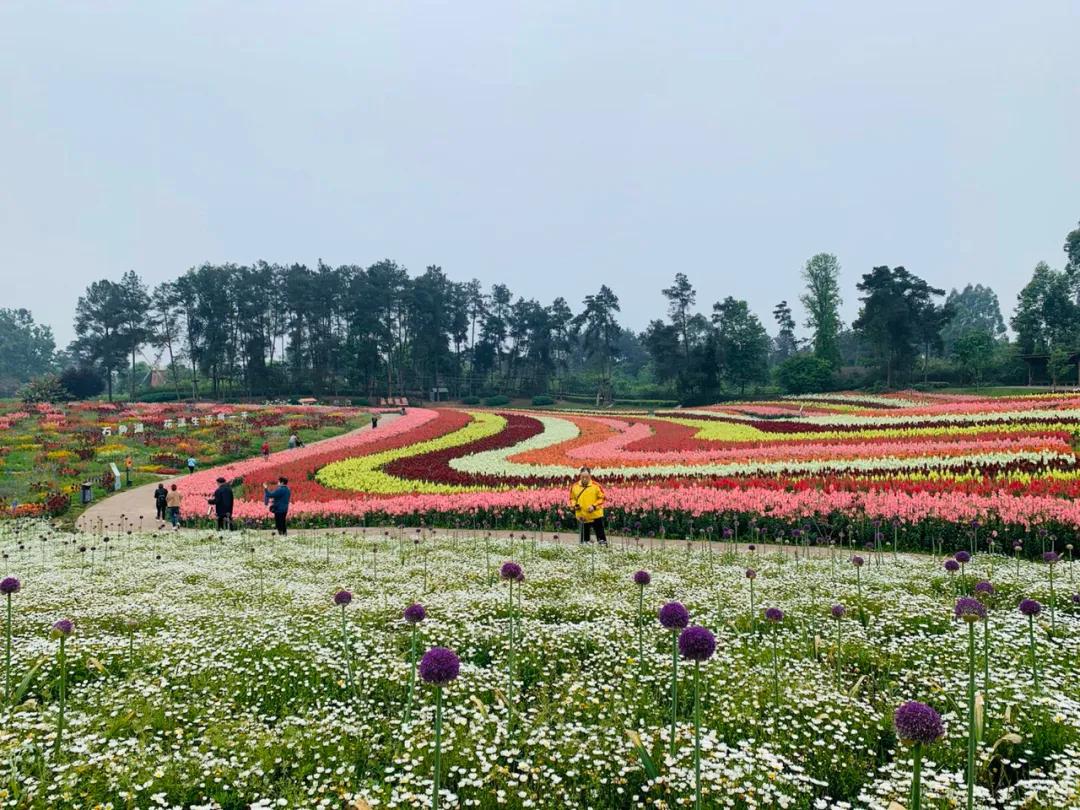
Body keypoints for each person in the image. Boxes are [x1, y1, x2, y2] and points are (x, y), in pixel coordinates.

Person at [569, 466, 607, 545]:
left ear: (590, 476)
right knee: (584, 542)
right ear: (580, 476)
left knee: (601, 539)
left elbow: (602, 498)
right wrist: (575, 505)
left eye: (587, 477)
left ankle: (603, 550)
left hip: (595, 515)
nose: (584, 479)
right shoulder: (575, 486)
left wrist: (594, 506)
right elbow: (572, 498)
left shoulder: (596, 486)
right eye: (582, 477)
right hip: (583, 516)